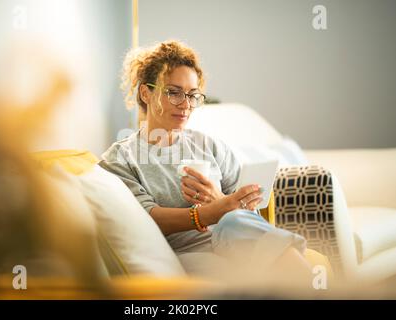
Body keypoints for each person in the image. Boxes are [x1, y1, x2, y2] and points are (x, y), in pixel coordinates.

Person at [99, 40, 310, 284]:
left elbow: (244, 212)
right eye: (174, 92)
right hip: (187, 253)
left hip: (234, 240)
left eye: (192, 95)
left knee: (234, 222)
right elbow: (147, 218)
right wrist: (206, 215)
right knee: (236, 244)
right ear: (146, 93)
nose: (186, 105)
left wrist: (220, 202)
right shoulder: (120, 159)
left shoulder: (209, 145)